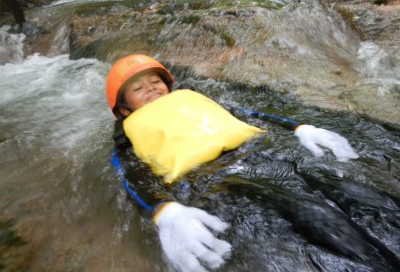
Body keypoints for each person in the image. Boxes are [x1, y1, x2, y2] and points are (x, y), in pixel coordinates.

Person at [107, 54, 364, 271]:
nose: (151, 88)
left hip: (260, 155)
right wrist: (165, 211)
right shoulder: (128, 138)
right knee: (319, 221)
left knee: (350, 197)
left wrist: (299, 127)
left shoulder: (193, 102)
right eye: (138, 89)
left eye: (154, 82)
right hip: (215, 180)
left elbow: (247, 114)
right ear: (125, 110)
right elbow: (132, 176)